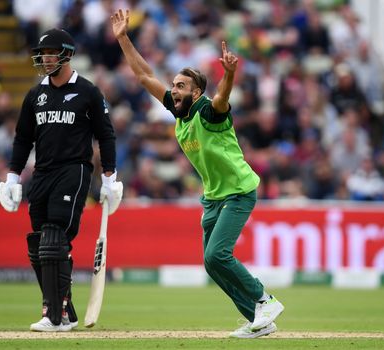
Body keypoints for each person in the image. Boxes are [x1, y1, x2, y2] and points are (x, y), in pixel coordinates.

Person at [111, 9, 284, 339]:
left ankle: (265, 299)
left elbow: (221, 99)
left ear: (196, 92)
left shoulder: (207, 110)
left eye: (181, 86)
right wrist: (123, 38)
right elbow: (145, 76)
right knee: (211, 263)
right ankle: (258, 319)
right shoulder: (179, 112)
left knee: (218, 254)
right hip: (213, 197)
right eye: (174, 85)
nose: (173, 90)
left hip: (238, 191)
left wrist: (229, 75)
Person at [0, 28, 123, 332]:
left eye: (51, 54)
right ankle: (65, 312)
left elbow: (106, 135)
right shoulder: (35, 94)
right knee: (40, 242)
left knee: (55, 237)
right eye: (42, 55)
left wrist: (109, 176)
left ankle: (53, 316)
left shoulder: (88, 92)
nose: (45, 60)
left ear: (66, 55)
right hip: (42, 173)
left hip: (74, 171)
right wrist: (13, 176)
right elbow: (23, 138)